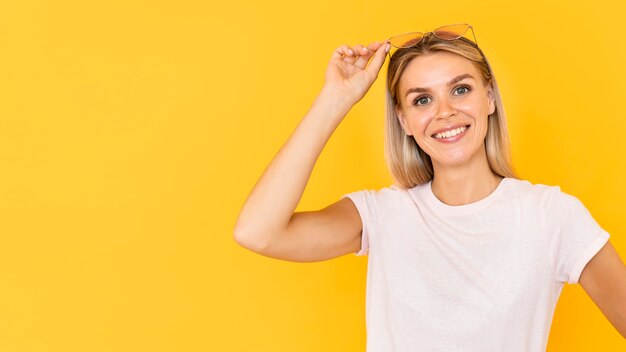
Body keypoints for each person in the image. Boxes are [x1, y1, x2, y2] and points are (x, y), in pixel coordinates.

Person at [233, 23, 626, 351]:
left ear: (489, 97)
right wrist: (336, 98)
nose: (444, 112)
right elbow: (257, 232)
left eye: (460, 89)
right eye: (422, 100)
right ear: (403, 121)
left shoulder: (551, 215)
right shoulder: (382, 215)